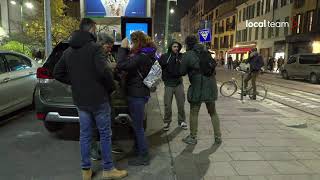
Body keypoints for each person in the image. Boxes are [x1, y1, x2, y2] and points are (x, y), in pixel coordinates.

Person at [53, 18, 128, 180]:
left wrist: (75, 82)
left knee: (85, 135)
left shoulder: (68, 51)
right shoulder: (95, 49)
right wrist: (111, 88)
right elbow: (104, 72)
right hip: (99, 99)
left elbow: (57, 73)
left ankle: (86, 171)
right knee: (105, 134)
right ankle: (108, 169)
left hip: (80, 100)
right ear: (92, 30)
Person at [117, 31, 156, 166]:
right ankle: (138, 148)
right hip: (141, 92)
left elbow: (121, 64)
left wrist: (122, 48)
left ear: (137, 42)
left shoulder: (141, 57)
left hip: (137, 94)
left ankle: (144, 156)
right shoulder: (147, 54)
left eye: (133, 42)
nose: (131, 44)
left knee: (138, 127)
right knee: (137, 125)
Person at [179, 35, 221, 145]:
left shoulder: (187, 55)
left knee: (194, 112)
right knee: (213, 112)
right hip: (211, 85)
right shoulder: (206, 52)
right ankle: (218, 137)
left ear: (188, 44)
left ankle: (193, 137)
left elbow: (181, 71)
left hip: (198, 86)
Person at [89, 33, 124, 162]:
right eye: (108, 47)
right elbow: (102, 72)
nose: (110, 49)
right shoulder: (95, 56)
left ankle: (109, 145)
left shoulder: (107, 56)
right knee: (93, 123)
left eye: (111, 47)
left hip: (107, 95)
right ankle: (94, 150)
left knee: (110, 120)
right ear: (100, 44)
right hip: (96, 95)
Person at [159, 41, 187, 131]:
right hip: (168, 84)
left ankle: (182, 121)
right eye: (174, 46)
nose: (176, 48)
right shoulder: (165, 56)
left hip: (179, 83)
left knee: (181, 104)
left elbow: (186, 67)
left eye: (177, 47)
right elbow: (158, 66)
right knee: (167, 105)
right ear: (171, 47)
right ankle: (167, 122)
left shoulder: (181, 56)